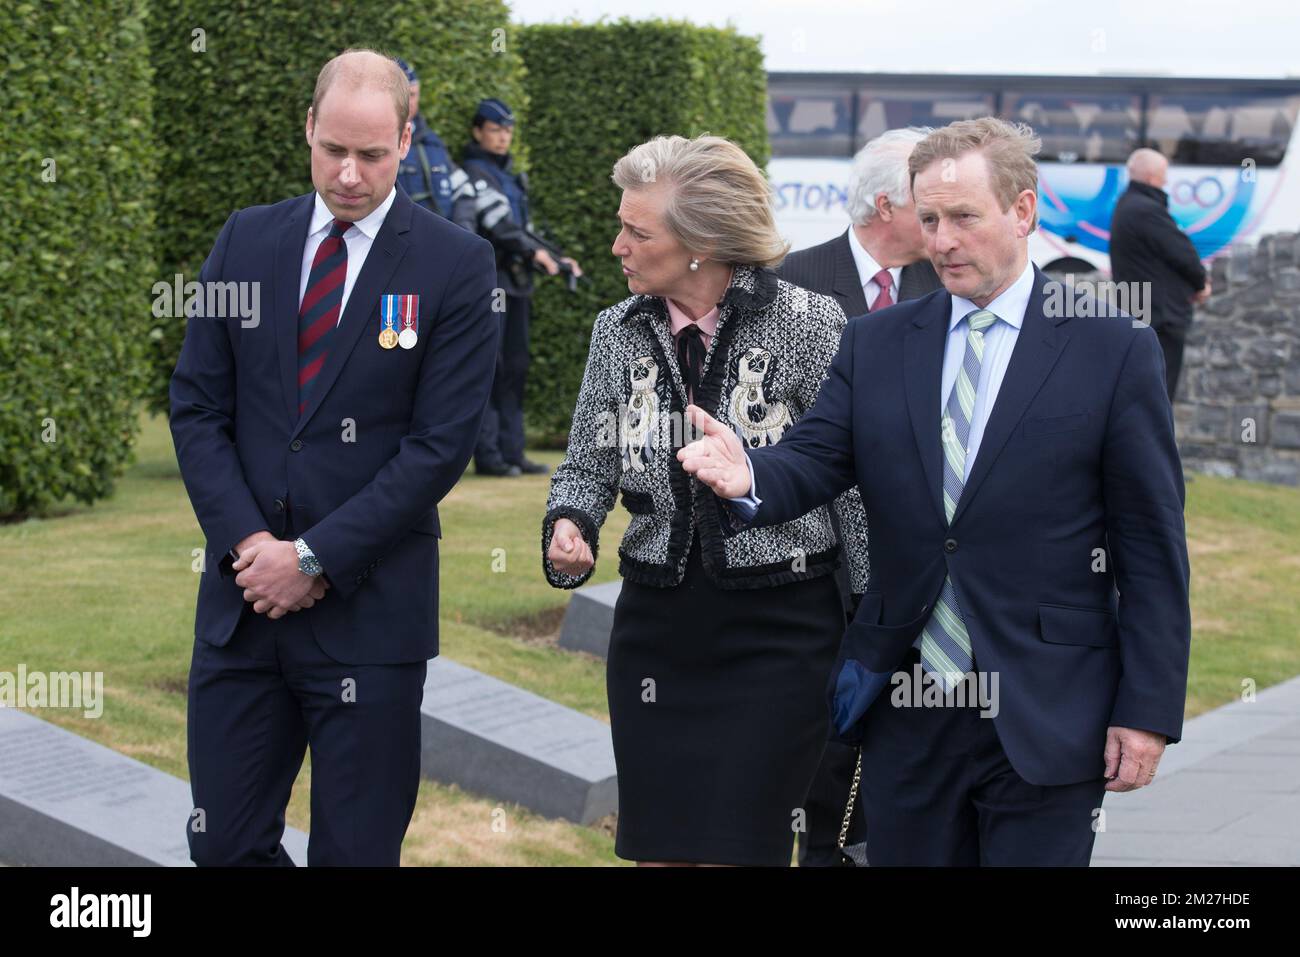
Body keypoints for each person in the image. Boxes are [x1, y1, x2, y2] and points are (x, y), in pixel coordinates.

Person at [681, 117, 1191, 866]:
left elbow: (1149, 545)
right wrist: (751, 472)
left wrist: (1145, 712)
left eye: (962, 217)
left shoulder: (1113, 348)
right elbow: (817, 458)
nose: (942, 239)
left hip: (1049, 705)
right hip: (910, 702)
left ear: (1023, 211)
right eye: (928, 219)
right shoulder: (879, 341)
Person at [169, 49, 498, 866]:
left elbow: (436, 448)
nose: (350, 174)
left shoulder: (455, 265)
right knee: (224, 847)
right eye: (334, 150)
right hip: (243, 613)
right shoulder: (246, 239)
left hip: (370, 620)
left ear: (407, 139)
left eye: (374, 155)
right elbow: (198, 405)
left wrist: (314, 558)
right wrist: (254, 549)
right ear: (309, 128)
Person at [540, 134, 869, 867]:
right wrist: (570, 523)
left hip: (780, 633)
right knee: (659, 850)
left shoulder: (811, 323)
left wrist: (876, 620)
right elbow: (588, 465)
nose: (618, 244)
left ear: (701, 243)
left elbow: (850, 480)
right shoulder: (615, 331)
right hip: (657, 630)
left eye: (637, 230)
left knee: (736, 848)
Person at [778, 126, 942, 867]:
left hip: (920, 559)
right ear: (886, 204)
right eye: (928, 206)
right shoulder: (789, 283)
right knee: (822, 745)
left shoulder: (948, 287)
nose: (942, 224)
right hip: (815, 558)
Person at [463, 98, 581, 477]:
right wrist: (536, 255)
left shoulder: (512, 175)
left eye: (507, 131)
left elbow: (524, 230)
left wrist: (557, 258)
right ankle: (490, 456)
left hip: (516, 283)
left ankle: (514, 452)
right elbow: (499, 225)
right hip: (491, 281)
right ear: (478, 131)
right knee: (492, 368)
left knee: (516, 366)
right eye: (495, 130)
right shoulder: (473, 172)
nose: (502, 138)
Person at [1109, 147, 1211, 401]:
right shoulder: (1147, 210)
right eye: (1164, 176)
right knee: (1159, 397)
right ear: (1154, 177)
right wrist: (1200, 283)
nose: (1166, 182)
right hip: (1161, 318)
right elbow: (1182, 253)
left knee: (1141, 394)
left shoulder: (1127, 205)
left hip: (1142, 312)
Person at [393, 57, 477, 231]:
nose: (408, 102)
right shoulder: (376, 144)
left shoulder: (432, 142)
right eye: (401, 94)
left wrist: (461, 233)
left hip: (444, 244)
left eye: (413, 94)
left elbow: (464, 191)